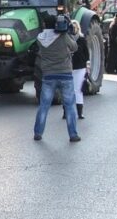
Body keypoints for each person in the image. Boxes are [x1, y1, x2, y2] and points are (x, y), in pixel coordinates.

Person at [34, 13, 80, 143]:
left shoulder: (40, 38)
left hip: (48, 75)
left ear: (44, 25)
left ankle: (38, 132)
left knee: (44, 105)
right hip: (65, 74)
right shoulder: (63, 36)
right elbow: (75, 47)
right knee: (70, 106)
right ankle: (73, 135)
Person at [63, 19, 89, 120]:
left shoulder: (82, 39)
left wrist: (87, 66)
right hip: (67, 67)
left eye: (75, 27)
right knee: (67, 90)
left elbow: (86, 55)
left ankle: (79, 112)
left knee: (77, 90)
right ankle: (65, 111)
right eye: (72, 27)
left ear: (78, 28)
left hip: (79, 67)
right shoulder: (65, 40)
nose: (74, 29)